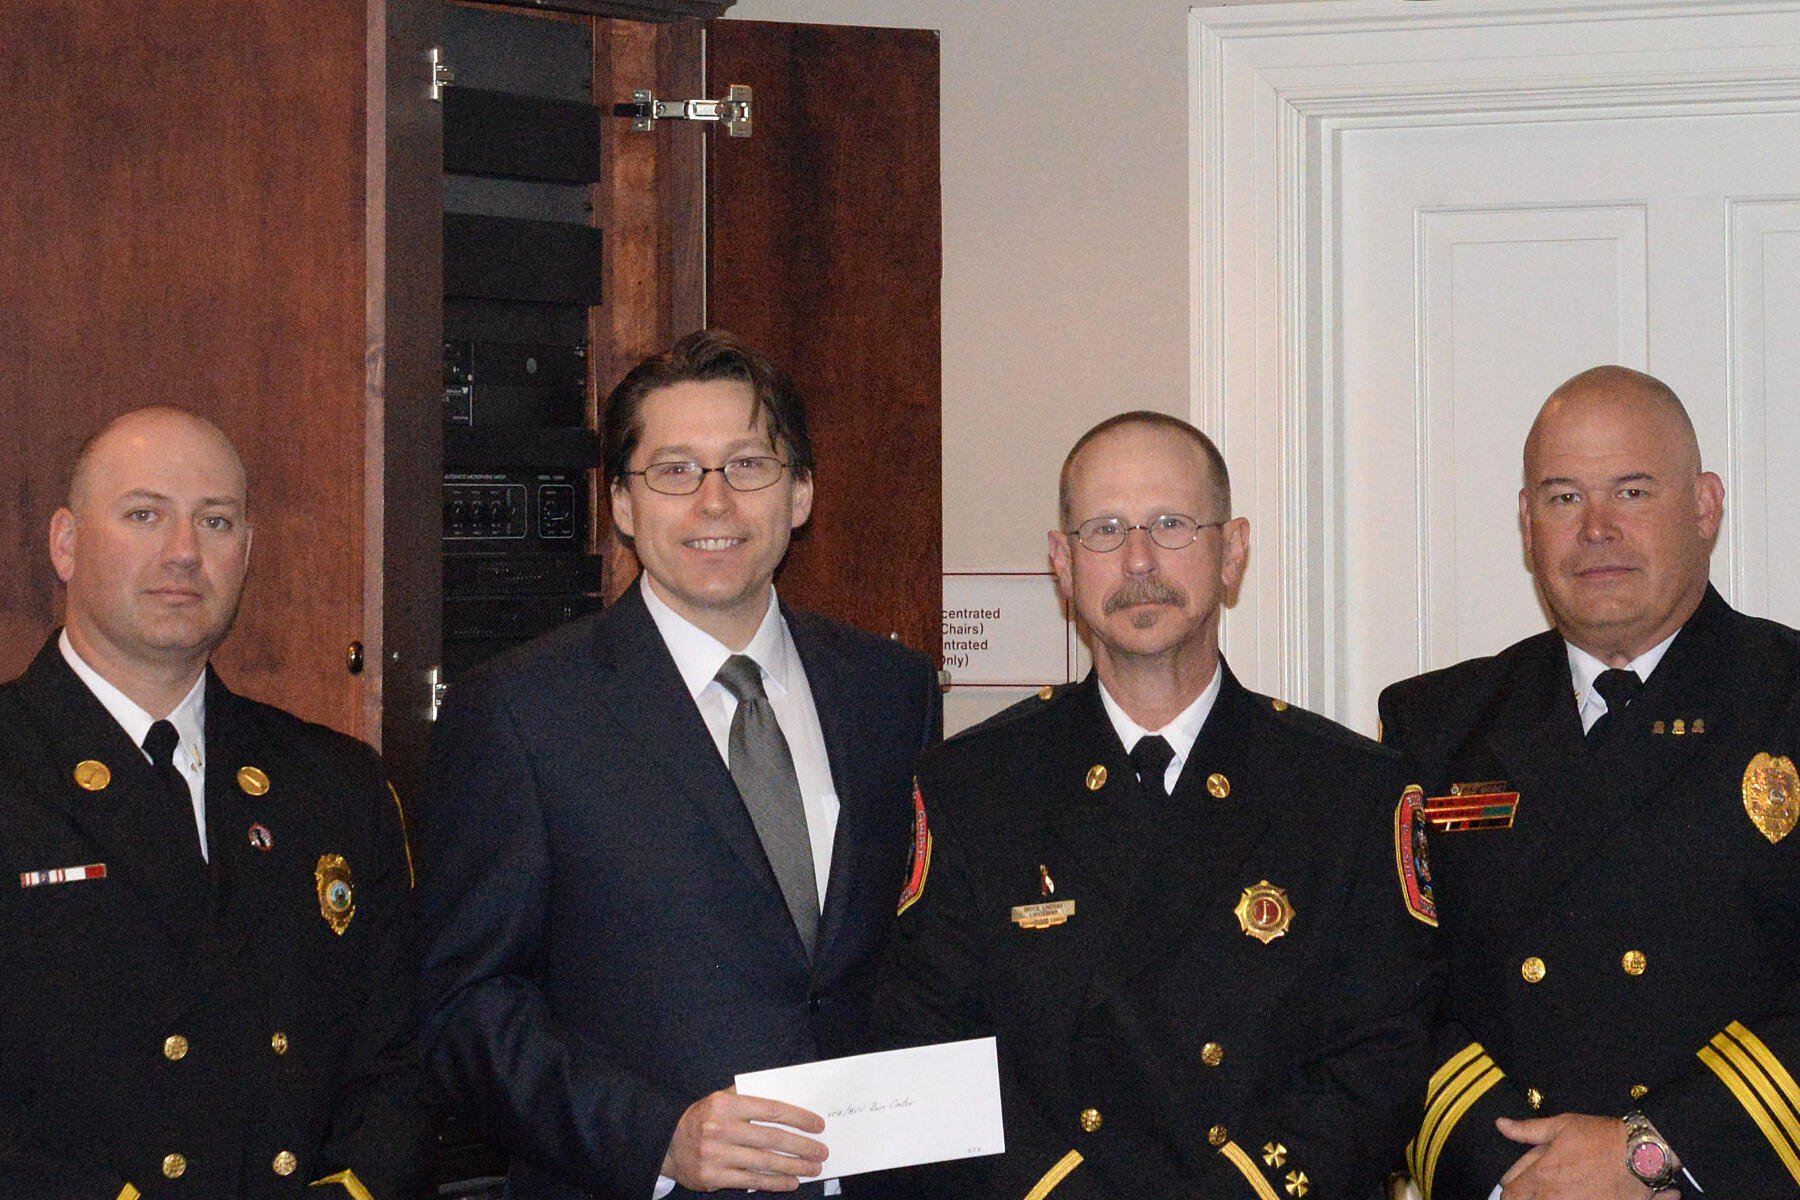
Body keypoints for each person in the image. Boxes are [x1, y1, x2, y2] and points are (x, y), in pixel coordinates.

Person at [417, 329, 941, 1200]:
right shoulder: (518, 713)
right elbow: (463, 1008)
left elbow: (924, 956)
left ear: (801, 492)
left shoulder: (892, 692)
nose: (714, 502)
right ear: (621, 504)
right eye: (673, 470)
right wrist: (655, 1138)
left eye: (748, 465)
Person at [877, 411, 1436, 1198]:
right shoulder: (975, 788)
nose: (1139, 560)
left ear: (1232, 551)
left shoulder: (1348, 792)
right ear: (1062, 564)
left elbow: (1384, 1056)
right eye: (1104, 530)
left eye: (1172, 525)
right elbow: (927, 1047)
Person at [1380, 365, 1800, 1199]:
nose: (1597, 530)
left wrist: (1654, 1151)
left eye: (1634, 492)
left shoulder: (1783, 697)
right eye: (1564, 498)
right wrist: (1506, 1171)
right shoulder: (1437, 725)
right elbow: (1384, 990)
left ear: (1706, 506)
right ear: (1528, 524)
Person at [0, 407, 425, 1199]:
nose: (184, 553)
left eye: (217, 521)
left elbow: (398, 1063)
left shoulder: (335, 785)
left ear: (248, 551)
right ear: (65, 542)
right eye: (143, 515)